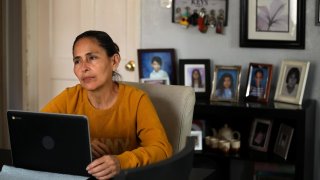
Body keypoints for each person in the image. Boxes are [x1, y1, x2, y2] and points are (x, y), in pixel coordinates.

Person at [41, 30, 172, 180]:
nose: (83, 67)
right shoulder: (69, 97)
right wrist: (79, 145)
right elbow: (36, 131)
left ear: (114, 61)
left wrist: (120, 162)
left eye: (92, 58)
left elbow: (162, 149)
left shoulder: (136, 100)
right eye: (77, 61)